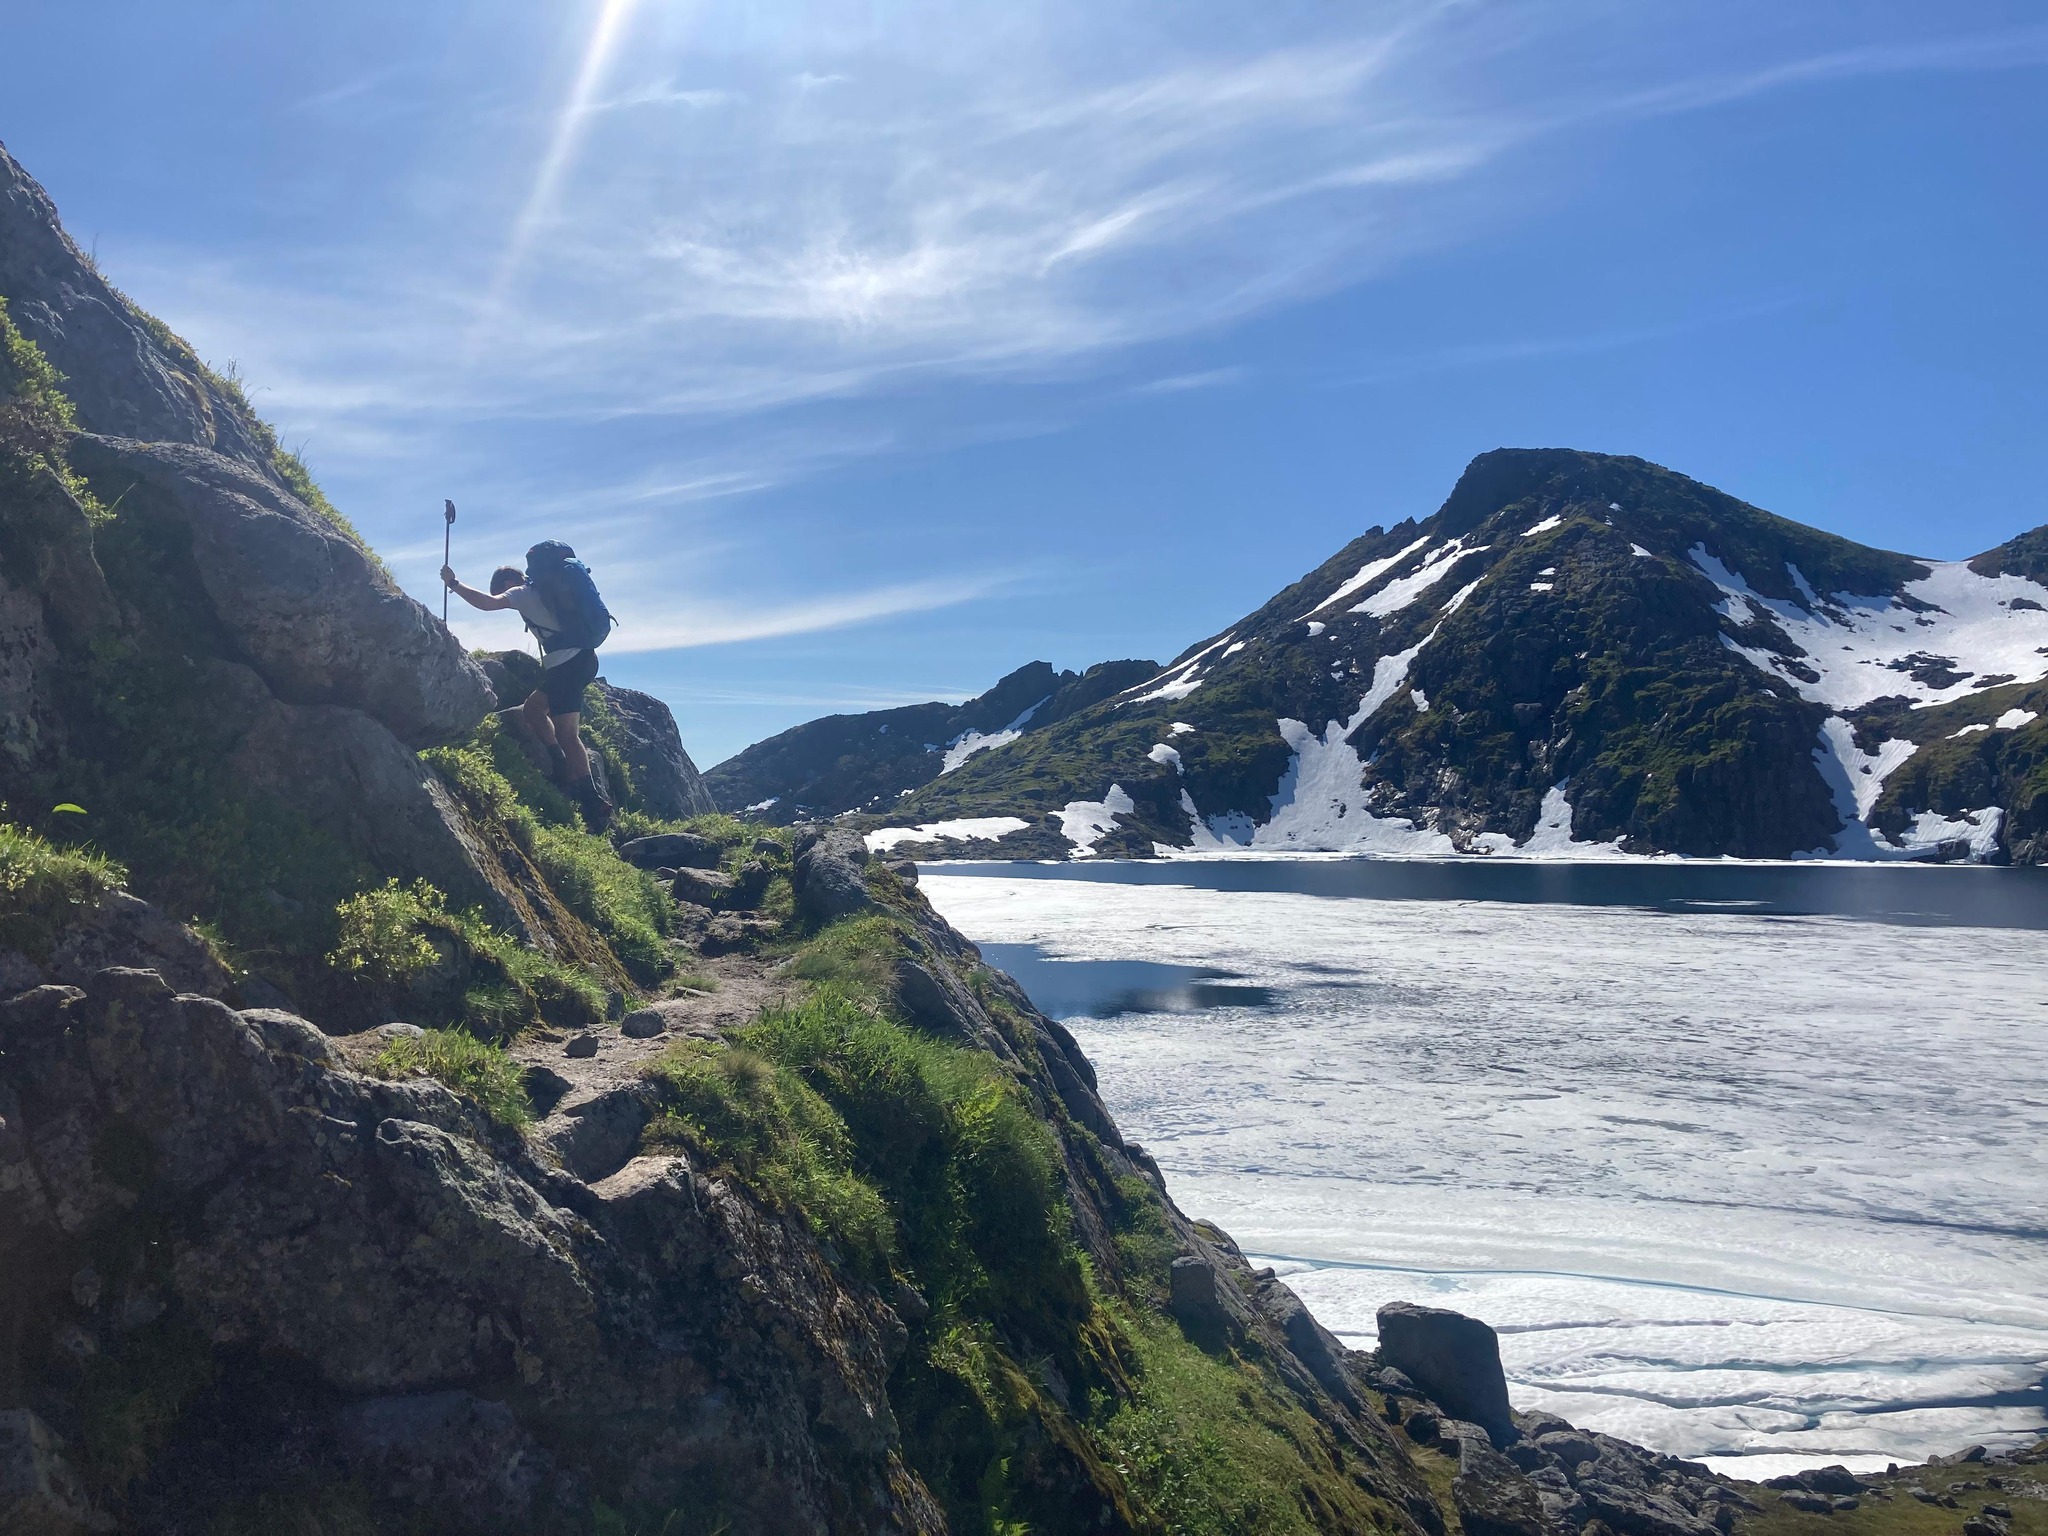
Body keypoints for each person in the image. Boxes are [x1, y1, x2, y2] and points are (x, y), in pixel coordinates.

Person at [442, 558, 614, 831]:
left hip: (568, 665)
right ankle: (561, 766)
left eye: (502, 589)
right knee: (532, 709)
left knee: (567, 733)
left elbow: (488, 603)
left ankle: (591, 800)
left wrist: (453, 583)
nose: (503, 594)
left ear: (507, 583)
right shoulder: (541, 592)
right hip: (575, 661)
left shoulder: (521, 592)